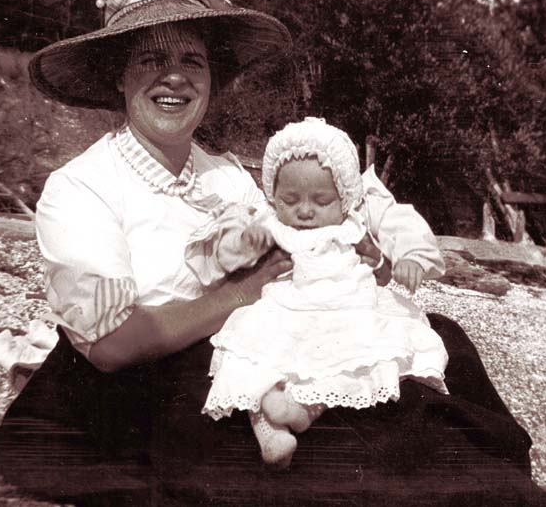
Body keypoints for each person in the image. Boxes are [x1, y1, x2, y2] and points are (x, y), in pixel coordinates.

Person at [0, 0, 546, 507]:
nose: (174, 78)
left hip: (258, 338)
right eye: (150, 60)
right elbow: (110, 346)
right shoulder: (82, 187)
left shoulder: (228, 175)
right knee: (367, 435)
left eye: (192, 61)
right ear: (117, 76)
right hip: (150, 376)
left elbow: (302, 251)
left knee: (438, 338)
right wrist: (240, 294)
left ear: (211, 78)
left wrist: (363, 270)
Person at [186, 117, 450, 468]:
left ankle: (304, 410)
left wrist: (411, 256)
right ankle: (270, 433)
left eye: (321, 200)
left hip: (346, 308)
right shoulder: (268, 220)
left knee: (345, 360)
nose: (305, 210)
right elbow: (226, 252)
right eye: (290, 199)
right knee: (253, 360)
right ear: (274, 195)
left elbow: (400, 222)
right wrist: (246, 241)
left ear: (344, 197)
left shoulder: (355, 218)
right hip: (284, 309)